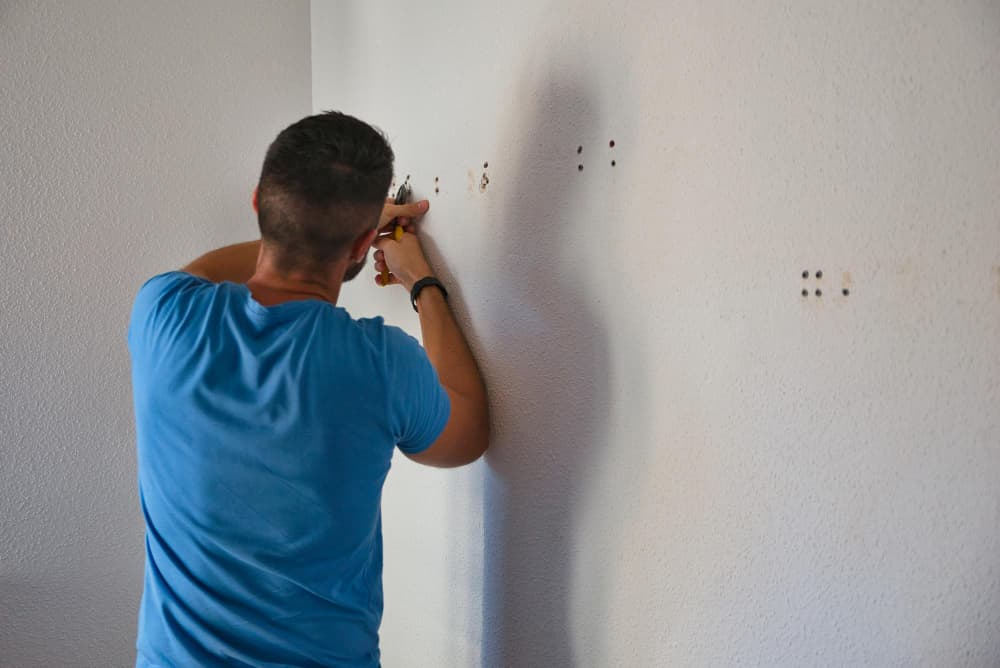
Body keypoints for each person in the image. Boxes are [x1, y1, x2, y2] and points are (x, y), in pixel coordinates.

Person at [127, 111, 489, 667]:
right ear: (366, 244)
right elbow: (466, 435)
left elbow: (201, 270)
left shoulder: (163, 316)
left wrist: (307, 228)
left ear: (257, 205)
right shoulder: (381, 364)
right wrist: (424, 284)